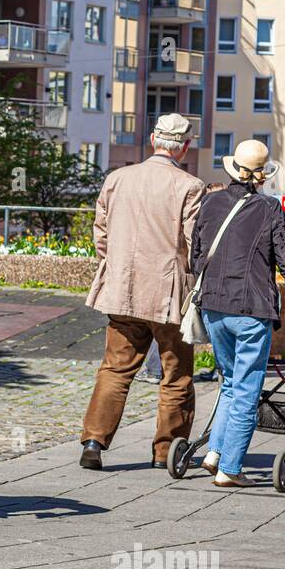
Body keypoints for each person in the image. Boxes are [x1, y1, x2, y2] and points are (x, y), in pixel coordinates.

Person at [80, 113, 207, 470]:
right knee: (176, 374)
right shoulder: (189, 187)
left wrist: (119, 265)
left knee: (115, 369)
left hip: (121, 290)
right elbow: (193, 244)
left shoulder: (117, 178)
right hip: (167, 296)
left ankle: (93, 441)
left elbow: (101, 234)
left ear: (153, 140)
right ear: (184, 147)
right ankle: (166, 451)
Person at [190, 139, 285, 488]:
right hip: (250, 310)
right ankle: (230, 468)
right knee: (246, 389)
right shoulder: (269, 208)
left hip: (213, 307)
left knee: (228, 382)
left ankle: (214, 452)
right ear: (260, 176)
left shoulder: (210, 202)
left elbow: (195, 255)